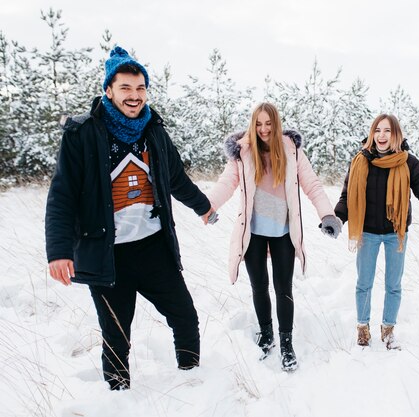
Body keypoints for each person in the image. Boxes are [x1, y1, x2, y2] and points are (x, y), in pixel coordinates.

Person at [45, 46, 214, 390]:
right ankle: (120, 399)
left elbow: (176, 178)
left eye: (140, 89)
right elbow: (62, 194)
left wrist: (203, 206)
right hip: (107, 254)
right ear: (109, 90)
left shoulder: (154, 131)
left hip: (154, 249)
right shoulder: (83, 134)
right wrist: (58, 250)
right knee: (116, 336)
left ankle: (193, 381)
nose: (134, 96)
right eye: (125, 88)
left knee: (185, 317)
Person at [207, 102, 342, 371]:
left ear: (276, 124)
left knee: (284, 289)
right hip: (253, 233)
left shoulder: (291, 150)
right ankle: (267, 334)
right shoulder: (242, 151)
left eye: (268, 123)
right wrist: (207, 206)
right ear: (252, 124)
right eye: (259, 124)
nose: (264, 129)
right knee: (259, 286)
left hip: (283, 232)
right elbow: (226, 183)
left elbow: (312, 184)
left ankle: (287, 342)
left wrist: (327, 214)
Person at [334, 114, 419, 349]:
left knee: (393, 284)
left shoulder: (408, 162)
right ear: (371, 133)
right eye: (377, 130)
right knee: (363, 283)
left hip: (396, 232)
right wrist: (336, 218)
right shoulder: (360, 161)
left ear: (396, 134)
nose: (382, 135)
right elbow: (347, 195)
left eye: (387, 131)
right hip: (367, 232)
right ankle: (362, 328)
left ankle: (388, 330)